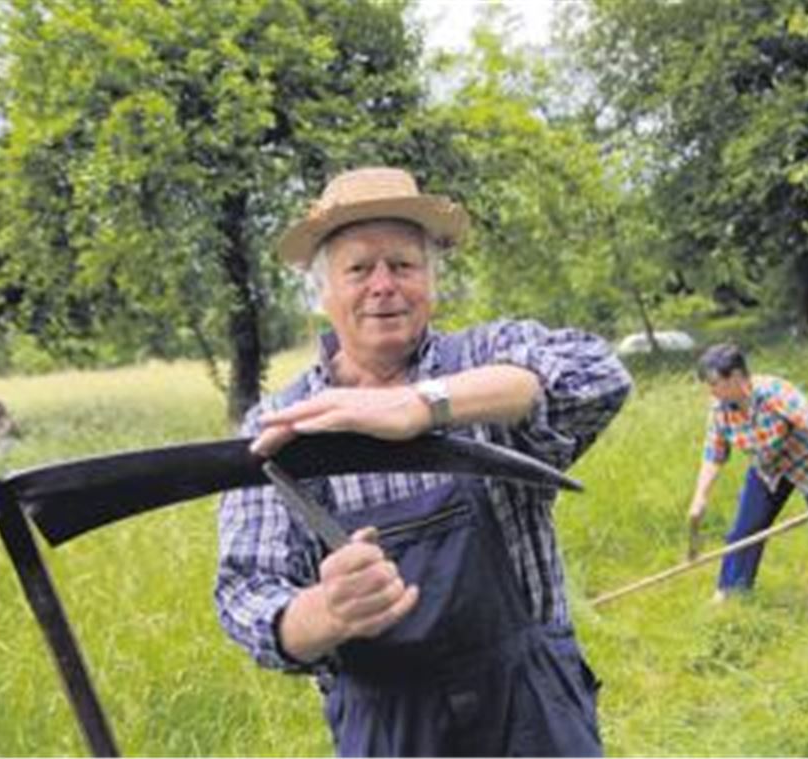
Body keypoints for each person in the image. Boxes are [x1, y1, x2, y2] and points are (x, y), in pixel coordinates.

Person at [215, 167, 632, 756]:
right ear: (324, 291)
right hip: (390, 728)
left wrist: (422, 406)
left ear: (431, 281)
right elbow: (245, 593)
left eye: (403, 265)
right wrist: (324, 612)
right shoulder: (282, 427)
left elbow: (599, 374)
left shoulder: (483, 358)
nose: (383, 285)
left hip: (532, 705)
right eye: (359, 268)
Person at [687, 343, 808, 611]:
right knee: (744, 529)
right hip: (767, 467)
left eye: (714, 383)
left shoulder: (775, 392)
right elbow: (714, 454)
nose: (711, 391)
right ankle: (731, 591)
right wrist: (700, 497)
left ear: (736, 377)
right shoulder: (720, 410)